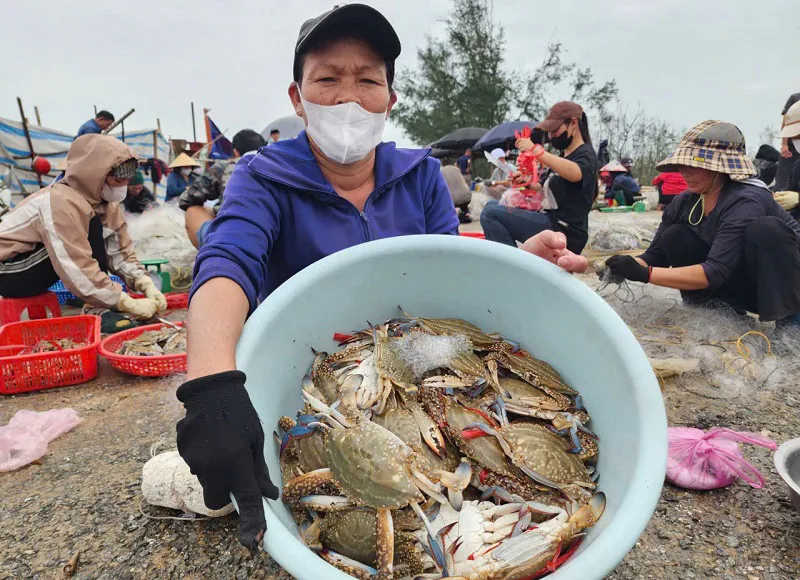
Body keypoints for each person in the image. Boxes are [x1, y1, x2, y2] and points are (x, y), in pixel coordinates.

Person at [173, 3, 588, 553]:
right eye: (326, 78)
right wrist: (212, 387)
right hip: (314, 377)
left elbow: (449, 274)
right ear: (297, 97)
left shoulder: (422, 175)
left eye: (368, 79)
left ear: (390, 99)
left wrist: (515, 263)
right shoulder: (262, 177)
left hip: (421, 359)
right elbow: (226, 264)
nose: (348, 96)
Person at [605, 120, 800, 326]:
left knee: (766, 230)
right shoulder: (683, 202)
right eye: (683, 165)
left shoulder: (746, 200)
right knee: (674, 236)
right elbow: (655, 256)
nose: (685, 172)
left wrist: (646, 274)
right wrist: (622, 266)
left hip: (779, 287)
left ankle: (791, 321)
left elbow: (714, 271)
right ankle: (718, 311)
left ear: (720, 169)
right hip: (735, 281)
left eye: (696, 166)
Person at [0, 134, 167, 320]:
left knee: (92, 225)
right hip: (7, 271)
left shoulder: (105, 203)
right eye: (117, 181)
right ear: (95, 175)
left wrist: (144, 282)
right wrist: (122, 301)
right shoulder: (59, 201)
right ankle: (96, 308)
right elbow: (73, 263)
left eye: (126, 182)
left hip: (32, 268)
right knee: (87, 229)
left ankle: (98, 304)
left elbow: (119, 251)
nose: (123, 188)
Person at [481, 101, 598, 254]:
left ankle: (511, 266)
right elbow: (540, 186)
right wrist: (525, 183)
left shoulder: (586, 155)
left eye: (555, 130)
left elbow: (575, 173)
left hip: (564, 229)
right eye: (549, 132)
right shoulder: (563, 156)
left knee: (490, 215)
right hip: (548, 219)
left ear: (573, 123)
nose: (551, 136)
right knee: (491, 206)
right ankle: (513, 256)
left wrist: (535, 150)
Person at [180, 129, 267, 248]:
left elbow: (186, 199)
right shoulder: (282, 166)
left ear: (236, 152)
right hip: (278, 237)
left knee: (193, 211)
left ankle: (215, 254)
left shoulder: (226, 167)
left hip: (238, 239)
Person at [776, 93, 800, 190]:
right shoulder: (795, 98)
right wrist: (784, 144)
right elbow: (786, 121)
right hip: (791, 149)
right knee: (783, 182)